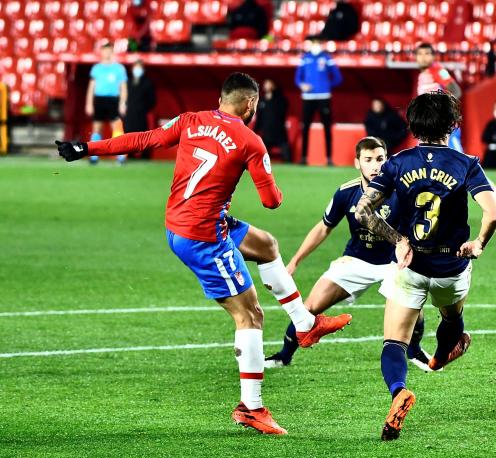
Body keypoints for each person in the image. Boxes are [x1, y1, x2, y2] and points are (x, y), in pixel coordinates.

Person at [55, 72, 352, 436]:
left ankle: (305, 324)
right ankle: (252, 408)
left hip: (184, 222)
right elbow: (271, 201)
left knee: (266, 244)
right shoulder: (250, 141)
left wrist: (87, 148)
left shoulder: (190, 119)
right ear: (251, 104)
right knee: (251, 316)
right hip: (203, 237)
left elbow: (145, 139)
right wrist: (267, 177)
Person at [355, 91, 496, 440]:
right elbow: (493, 212)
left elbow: (363, 211)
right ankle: (439, 356)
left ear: (412, 124)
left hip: (411, 264)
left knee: (394, 341)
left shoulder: (398, 162)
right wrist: (478, 243)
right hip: (452, 266)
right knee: (452, 318)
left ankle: (399, 392)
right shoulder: (466, 163)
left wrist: (399, 240)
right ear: (452, 125)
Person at [265, 136, 431, 371]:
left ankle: (414, 351)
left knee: (413, 303)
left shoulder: (402, 191)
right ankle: (284, 356)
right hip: (356, 260)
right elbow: (323, 227)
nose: (375, 166)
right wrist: (294, 262)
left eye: (380, 159)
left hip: (394, 262)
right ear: (357, 163)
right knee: (309, 307)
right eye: (369, 160)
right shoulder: (346, 192)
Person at [415, 42, 496, 216]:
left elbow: (456, 90)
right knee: (430, 166)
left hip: (444, 129)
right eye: (420, 54)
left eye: (426, 54)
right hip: (430, 129)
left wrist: (441, 111)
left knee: (463, 166)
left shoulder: (437, 70)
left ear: (433, 56)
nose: (423, 57)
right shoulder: (423, 75)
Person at [296, 35, 342, 166]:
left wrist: (326, 86)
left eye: (317, 42)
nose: (315, 44)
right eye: (313, 42)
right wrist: (302, 85)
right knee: (305, 127)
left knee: (327, 128)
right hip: (308, 97)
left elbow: (338, 78)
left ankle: (329, 158)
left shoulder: (327, 58)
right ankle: (304, 157)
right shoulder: (304, 58)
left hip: (324, 97)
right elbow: (297, 78)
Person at [86, 43, 128, 165]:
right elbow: (91, 87)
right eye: (104, 51)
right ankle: (93, 156)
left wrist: (123, 103)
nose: (107, 53)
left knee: (116, 127)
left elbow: (123, 87)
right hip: (99, 99)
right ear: (101, 52)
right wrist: (89, 103)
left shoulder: (119, 68)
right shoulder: (96, 68)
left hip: (113, 100)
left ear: (112, 52)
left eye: (109, 50)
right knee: (97, 128)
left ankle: (121, 157)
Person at [124, 60, 156, 159]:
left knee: (143, 136)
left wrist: (143, 109)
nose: (137, 70)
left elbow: (152, 100)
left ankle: (145, 157)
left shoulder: (148, 83)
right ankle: (129, 156)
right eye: (136, 67)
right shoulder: (127, 82)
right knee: (128, 136)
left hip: (141, 115)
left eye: (140, 67)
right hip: (128, 115)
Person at [255, 79, 291, 163]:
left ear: (274, 86)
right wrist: (255, 131)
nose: (267, 86)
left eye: (269, 84)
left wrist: (272, 98)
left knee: (288, 158)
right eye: (265, 84)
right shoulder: (261, 101)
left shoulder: (280, 99)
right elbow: (259, 118)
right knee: (261, 159)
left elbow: (283, 110)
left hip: (280, 133)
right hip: (266, 134)